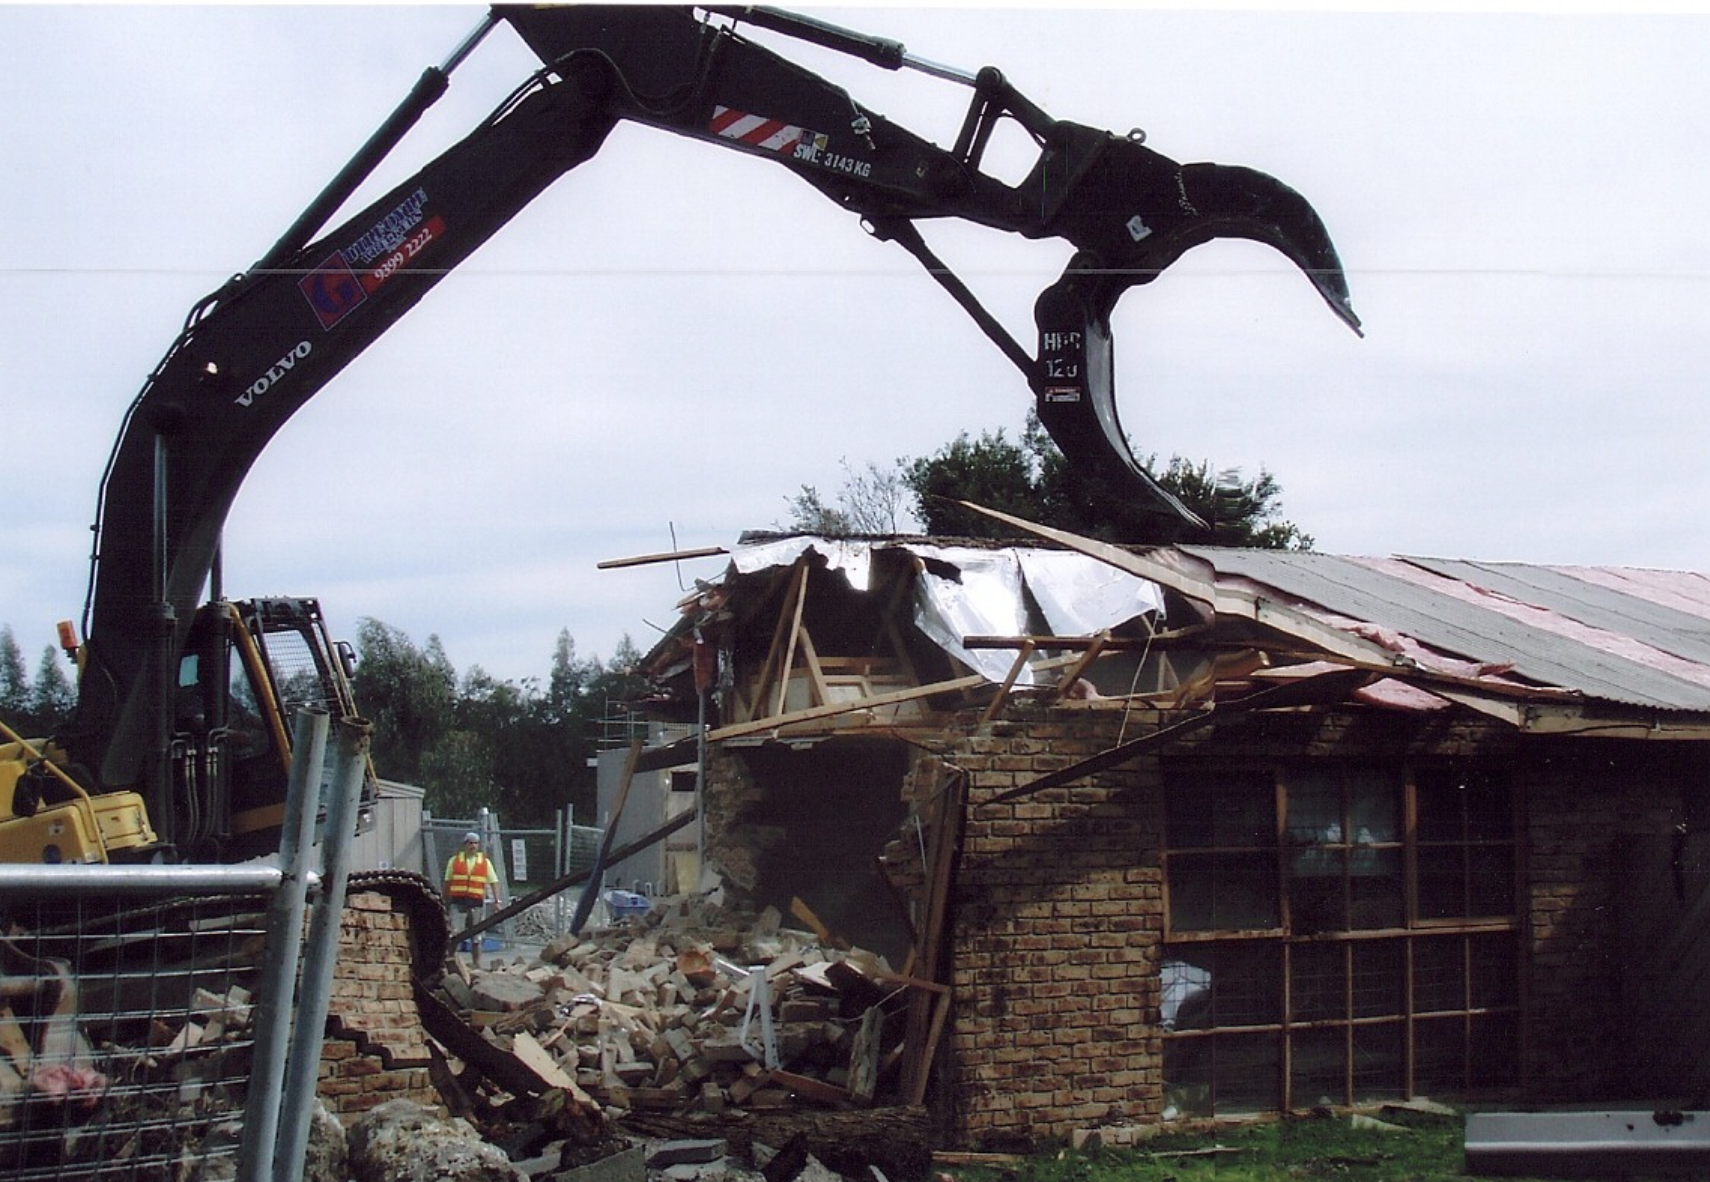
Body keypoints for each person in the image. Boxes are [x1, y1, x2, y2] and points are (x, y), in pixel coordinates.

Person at [443, 832, 500, 965]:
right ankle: (450, 963)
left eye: (475, 843)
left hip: (476, 904)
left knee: (477, 937)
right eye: (470, 843)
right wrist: (445, 901)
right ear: (465, 845)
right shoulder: (454, 861)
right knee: (454, 936)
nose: (473, 846)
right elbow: (447, 882)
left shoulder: (485, 862)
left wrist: (497, 902)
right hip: (458, 903)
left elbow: (494, 882)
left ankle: (477, 965)